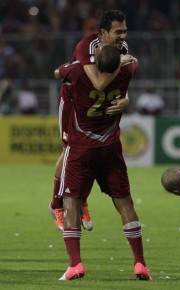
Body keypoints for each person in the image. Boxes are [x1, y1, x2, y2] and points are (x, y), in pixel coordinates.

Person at [56, 44, 152, 281]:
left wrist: (75, 64)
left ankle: (75, 265)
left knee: (71, 203)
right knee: (125, 204)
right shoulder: (126, 71)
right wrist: (123, 63)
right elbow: (132, 61)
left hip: (81, 146)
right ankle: (140, 263)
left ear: (96, 62)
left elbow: (58, 73)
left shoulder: (79, 72)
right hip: (109, 147)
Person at [49, 10, 133, 232]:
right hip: (73, 99)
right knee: (69, 149)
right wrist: (121, 64)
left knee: (91, 152)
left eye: (125, 31)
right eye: (118, 31)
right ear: (103, 33)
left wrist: (126, 99)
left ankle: (80, 199)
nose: (123, 36)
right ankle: (56, 204)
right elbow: (98, 82)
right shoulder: (86, 46)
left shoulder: (122, 49)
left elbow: (121, 85)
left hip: (94, 102)